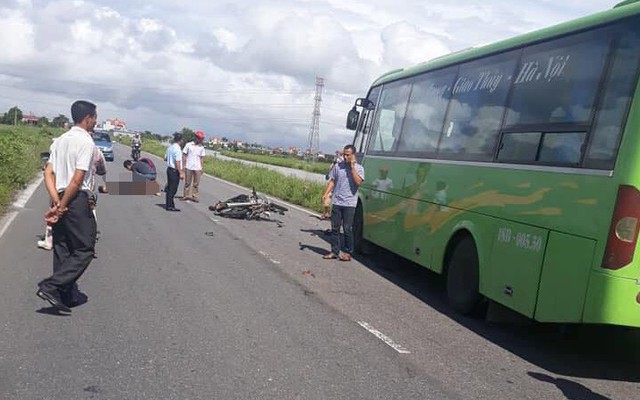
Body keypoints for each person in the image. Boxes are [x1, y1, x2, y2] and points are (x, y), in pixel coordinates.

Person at [36, 100, 99, 312]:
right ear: (88, 118)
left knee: (62, 247)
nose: (96, 122)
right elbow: (77, 180)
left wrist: (56, 201)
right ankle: (51, 286)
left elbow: (48, 173)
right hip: (76, 199)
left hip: (60, 194)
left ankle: (65, 294)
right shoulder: (86, 142)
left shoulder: (60, 141)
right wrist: (62, 206)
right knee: (84, 248)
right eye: (95, 118)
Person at [321, 144, 364, 262]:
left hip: (349, 203)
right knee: (334, 228)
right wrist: (326, 194)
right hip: (337, 201)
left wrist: (352, 167)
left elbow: (358, 182)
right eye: (344, 154)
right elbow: (332, 181)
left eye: (348, 155)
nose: (345, 157)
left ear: (353, 155)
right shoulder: (338, 167)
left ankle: (348, 252)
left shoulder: (359, 168)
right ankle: (334, 251)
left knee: (347, 228)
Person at [181, 130, 206, 202]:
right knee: (187, 182)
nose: (200, 140)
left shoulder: (201, 147)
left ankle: (194, 196)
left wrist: (202, 168)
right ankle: (186, 195)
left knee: (196, 183)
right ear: (196, 138)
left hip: (197, 167)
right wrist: (183, 165)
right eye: (199, 138)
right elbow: (184, 155)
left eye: (201, 139)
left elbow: (202, 158)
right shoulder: (188, 145)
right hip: (189, 166)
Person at [321, 150, 343, 220]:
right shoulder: (334, 162)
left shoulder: (341, 161)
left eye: (338, 153)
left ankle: (332, 214)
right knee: (326, 197)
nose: (337, 154)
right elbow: (330, 170)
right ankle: (326, 213)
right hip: (332, 181)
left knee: (334, 199)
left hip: (339, 184)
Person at [164, 133, 184, 211]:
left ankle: (169, 204)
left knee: (169, 188)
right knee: (173, 189)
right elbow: (177, 162)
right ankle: (170, 206)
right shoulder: (177, 149)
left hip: (169, 169)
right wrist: (181, 172)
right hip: (174, 170)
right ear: (181, 140)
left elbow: (165, 158)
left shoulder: (170, 147)